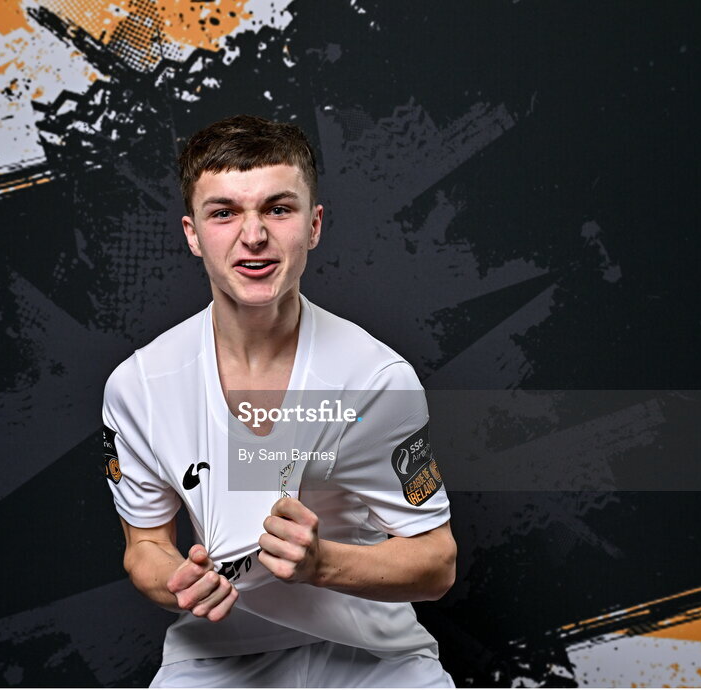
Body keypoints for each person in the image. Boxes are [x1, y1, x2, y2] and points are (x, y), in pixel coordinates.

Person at [102, 115, 457, 687]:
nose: (254, 236)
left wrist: (323, 564)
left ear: (313, 226)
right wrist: (180, 579)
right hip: (216, 659)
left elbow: (436, 563)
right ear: (192, 233)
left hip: (372, 658)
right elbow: (144, 545)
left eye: (278, 208)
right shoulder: (138, 385)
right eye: (224, 212)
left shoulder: (375, 378)